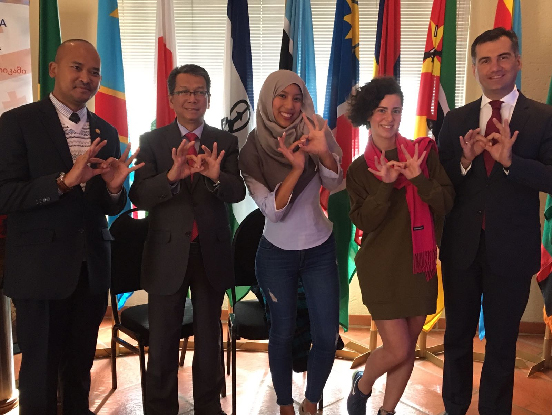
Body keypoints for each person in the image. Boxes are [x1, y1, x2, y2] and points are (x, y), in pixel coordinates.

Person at [0, 39, 140, 414]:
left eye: (94, 72)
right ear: (53, 70)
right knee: (40, 373)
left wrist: (115, 190)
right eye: (76, 67)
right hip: (39, 270)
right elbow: (4, 195)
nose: (86, 78)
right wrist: (62, 182)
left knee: (79, 368)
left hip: (90, 269)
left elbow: (109, 205)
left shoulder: (106, 130)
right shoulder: (17, 123)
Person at [438, 28, 551, 414]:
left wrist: (511, 163)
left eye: (503, 57)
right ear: (475, 69)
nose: (495, 67)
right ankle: (454, 407)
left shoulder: (544, 117)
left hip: (513, 250)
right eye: (485, 60)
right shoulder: (456, 120)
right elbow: (440, 182)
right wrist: (464, 160)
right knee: (456, 338)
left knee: (502, 344)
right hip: (461, 248)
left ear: (517, 61)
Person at [129, 64, 245, 415]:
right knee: (163, 338)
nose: (192, 98)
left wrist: (216, 177)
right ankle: (160, 408)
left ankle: (208, 407)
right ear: (171, 99)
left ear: (208, 98)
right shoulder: (152, 141)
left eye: (199, 92)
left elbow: (237, 192)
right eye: (184, 92)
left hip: (211, 253)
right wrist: (170, 177)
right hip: (167, 255)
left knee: (209, 338)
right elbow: (138, 196)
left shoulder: (225, 142)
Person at [345, 77, 455, 415]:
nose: (389, 118)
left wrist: (418, 178)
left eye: (396, 110)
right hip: (380, 268)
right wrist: (386, 186)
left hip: (419, 265)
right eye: (381, 110)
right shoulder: (359, 169)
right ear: (368, 114)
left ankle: (387, 411)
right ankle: (362, 385)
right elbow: (364, 222)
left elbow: (446, 202)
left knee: (406, 349)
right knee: (398, 348)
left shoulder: (423, 154)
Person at [239, 70, 343, 415]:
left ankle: (311, 403)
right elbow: (273, 211)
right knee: (281, 334)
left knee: (326, 335)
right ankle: (285, 406)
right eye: (281, 96)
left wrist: (323, 152)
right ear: (267, 100)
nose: (289, 105)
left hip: (320, 249)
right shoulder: (252, 149)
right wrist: (297, 169)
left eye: (297, 98)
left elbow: (335, 182)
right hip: (276, 255)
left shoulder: (315, 129)